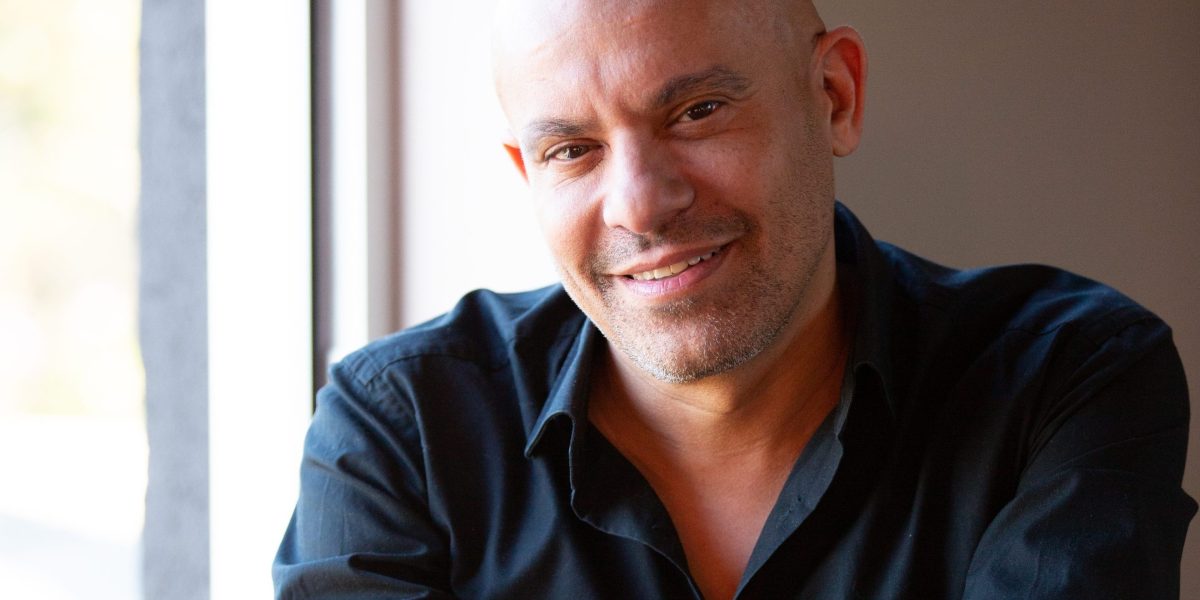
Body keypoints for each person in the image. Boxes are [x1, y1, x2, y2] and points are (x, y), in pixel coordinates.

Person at [273, 0, 1195, 598]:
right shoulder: (403, 429)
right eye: (572, 151)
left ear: (833, 96)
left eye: (697, 112)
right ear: (528, 174)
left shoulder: (1064, 379)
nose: (641, 204)